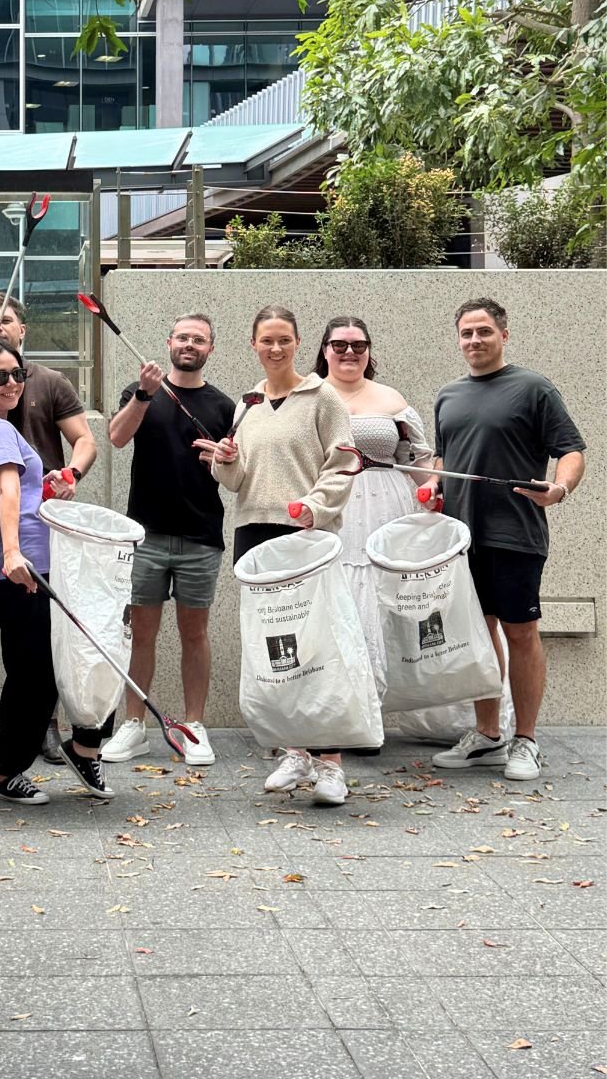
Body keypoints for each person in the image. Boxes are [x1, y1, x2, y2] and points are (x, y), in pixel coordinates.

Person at [422, 297, 584, 782]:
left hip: (515, 534)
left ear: (504, 335)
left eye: (484, 332)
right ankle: (488, 736)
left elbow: (571, 450)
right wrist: (432, 485)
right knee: (479, 632)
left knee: (520, 632)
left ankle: (527, 741)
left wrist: (559, 488)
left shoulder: (534, 389)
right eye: (467, 333)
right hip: (461, 537)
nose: (475, 341)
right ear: (458, 339)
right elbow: (443, 458)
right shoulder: (448, 394)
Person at [212, 305, 354, 804]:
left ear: (298, 344)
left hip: (306, 536)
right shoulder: (246, 404)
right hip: (254, 534)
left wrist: (315, 507)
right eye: (266, 340)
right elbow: (235, 480)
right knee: (278, 645)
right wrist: (225, 462)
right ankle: (294, 751)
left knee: (319, 646)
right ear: (252, 344)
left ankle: (331, 764)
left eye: (284, 340)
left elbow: (344, 463)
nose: (275, 348)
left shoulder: (323, 397)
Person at [0, 339, 113, 804]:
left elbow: (19, 494)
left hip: (37, 559)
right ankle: (9, 772)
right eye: (0, 377)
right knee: (35, 672)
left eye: (17, 375)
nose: (12, 383)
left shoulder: (0, 428)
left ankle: (61, 752)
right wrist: (13, 554)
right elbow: (8, 493)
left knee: (44, 669)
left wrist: (47, 486)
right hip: (25, 566)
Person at [101, 313, 234, 767]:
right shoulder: (143, 391)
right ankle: (133, 724)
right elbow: (116, 438)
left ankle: (194, 725)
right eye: (183, 337)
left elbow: (236, 470)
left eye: (199, 339)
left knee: (195, 633)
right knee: (142, 633)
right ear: (169, 342)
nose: (190, 344)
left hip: (201, 537)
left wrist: (222, 457)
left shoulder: (223, 406)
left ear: (210, 349)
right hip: (146, 535)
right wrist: (143, 394)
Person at [314, 316, 433, 726]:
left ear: (369, 351)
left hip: (388, 506)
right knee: (339, 601)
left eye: (358, 345)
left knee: (385, 603)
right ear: (324, 349)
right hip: (331, 508)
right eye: (340, 345)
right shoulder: (308, 395)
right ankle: (340, 711)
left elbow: (420, 460)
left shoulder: (391, 399)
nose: (349, 352)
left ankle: (378, 710)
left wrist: (431, 490)